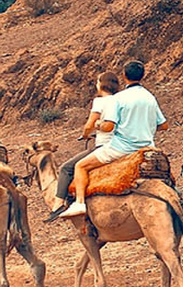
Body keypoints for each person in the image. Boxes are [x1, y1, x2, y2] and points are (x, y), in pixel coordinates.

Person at [58, 60, 169, 218]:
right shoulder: (150, 98)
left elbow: (109, 127)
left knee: (80, 166)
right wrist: (144, 125)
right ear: (142, 76)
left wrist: (98, 125)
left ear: (124, 76)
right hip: (147, 148)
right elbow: (163, 125)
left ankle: (80, 203)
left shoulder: (120, 98)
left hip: (122, 148)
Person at [44, 71, 120, 222]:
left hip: (104, 145)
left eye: (98, 82)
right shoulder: (120, 100)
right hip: (120, 143)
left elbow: (89, 125)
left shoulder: (99, 101)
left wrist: (86, 134)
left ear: (101, 84)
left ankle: (59, 204)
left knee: (67, 168)